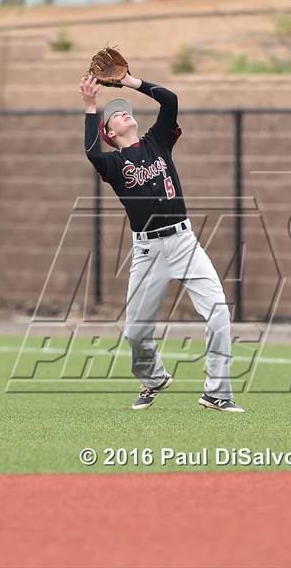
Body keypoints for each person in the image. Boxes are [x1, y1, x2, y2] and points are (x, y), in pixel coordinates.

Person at [80, 73, 244, 413]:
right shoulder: (112, 162)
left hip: (185, 242)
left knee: (218, 312)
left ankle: (217, 392)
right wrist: (91, 106)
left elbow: (169, 100)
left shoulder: (158, 141)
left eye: (125, 110)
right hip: (147, 251)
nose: (124, 113)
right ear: (109, 133)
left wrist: (127, 80)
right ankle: (153, 378)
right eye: (116, 116)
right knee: (136, 334)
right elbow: (91, 153)